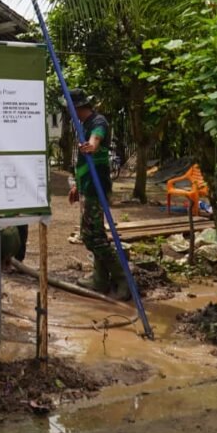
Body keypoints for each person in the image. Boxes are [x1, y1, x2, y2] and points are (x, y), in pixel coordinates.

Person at [65, 89, 130, 301]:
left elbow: (95, 140)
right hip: (87, 184)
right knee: (93, 233)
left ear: (77, 107)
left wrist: (92, 146)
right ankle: (100, 279)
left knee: (93, 236)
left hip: (96, 185)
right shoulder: (82, 124)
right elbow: (82, 160)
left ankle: (123, 279)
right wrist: (77, 185)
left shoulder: (97, 121)